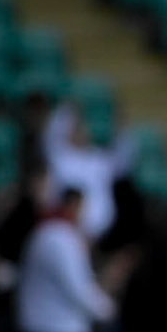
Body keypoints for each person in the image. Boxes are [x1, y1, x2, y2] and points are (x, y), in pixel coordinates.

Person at [15, 187, 132, 332]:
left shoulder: (41, 233)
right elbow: (78, 290)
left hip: (40, 328)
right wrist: (107, 310)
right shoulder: (60, 238)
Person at [42, 101, 137, 241]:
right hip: (67, 230)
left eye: (83, 127)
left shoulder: (98, 158)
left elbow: (122, 164)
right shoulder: (60, 157)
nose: (82, 131)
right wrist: (67, 108)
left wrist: (123, 133)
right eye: (77, 128)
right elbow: (50, 139)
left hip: (101, 233)